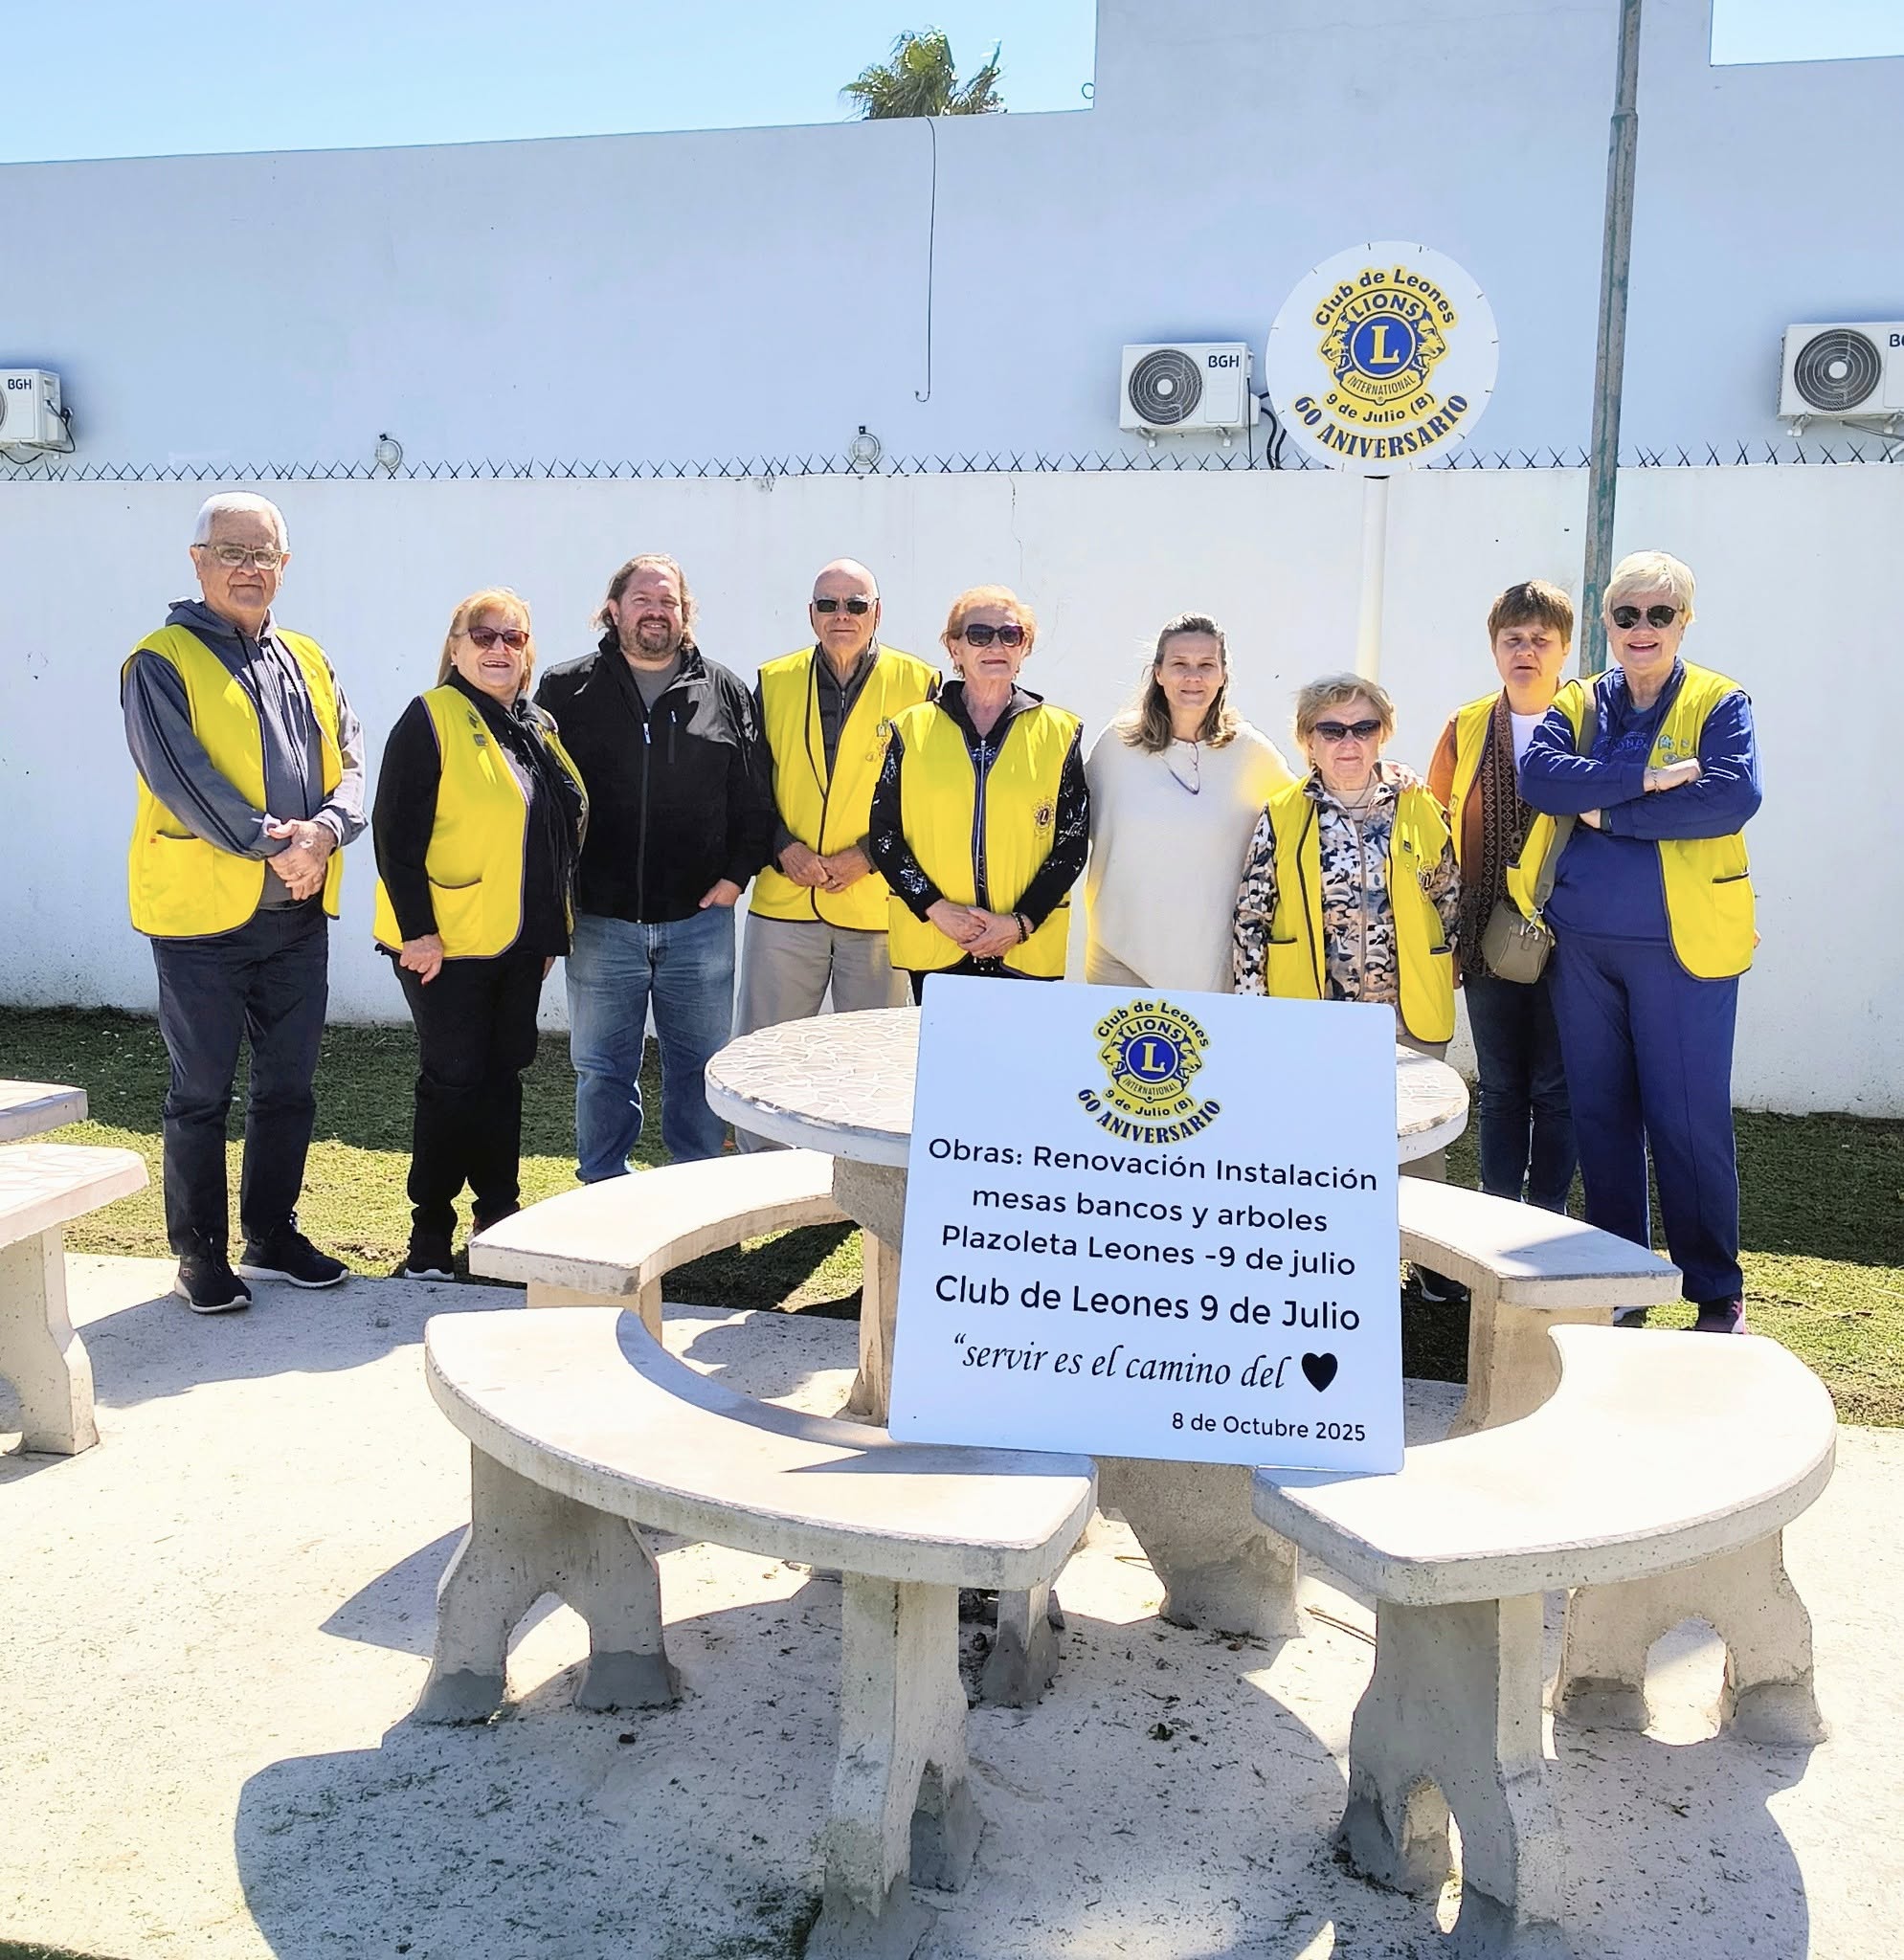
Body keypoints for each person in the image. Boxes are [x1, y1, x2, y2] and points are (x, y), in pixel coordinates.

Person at [122, 493, 364, 1313]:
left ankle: (271, 1235)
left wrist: (325, 834)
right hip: (201, 923)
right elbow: (184, 780)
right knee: (201, 1094)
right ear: (197, 561)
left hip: (296, 915)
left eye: (264, 556)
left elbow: (351, 766)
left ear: (284, 567)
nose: (249, 569)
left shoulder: (309, 656)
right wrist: (283, 844)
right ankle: (199, 1255)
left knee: (289, 1087)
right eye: (232, 552)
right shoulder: (159, 660)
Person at [1519, 551, 1760, 1333]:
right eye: (1627, 615)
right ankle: (1620, 1273)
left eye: (1660, 614)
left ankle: (1713, 1287)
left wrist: (1612, 811)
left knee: (1686, 1121)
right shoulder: (1580, 699)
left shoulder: (1720, 701)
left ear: (1683, 621)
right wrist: (1651, 781)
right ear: (1606, 624)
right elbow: (1543, 780)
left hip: (1683, 949)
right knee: (1601, 1115)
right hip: (1582, 946)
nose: (1642, 628)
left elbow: (1729, 799)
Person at [371, 590, 587, 1280]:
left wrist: (547, 930)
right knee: (452, 1084)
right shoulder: (430, 718)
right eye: (483, 636)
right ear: (456, 647)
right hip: (444, 946)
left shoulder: (532, 724)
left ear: (528, 653)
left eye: (513, 638)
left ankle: (498, 1220)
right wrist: (418, 933)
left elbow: (550, 831)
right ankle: (429, 1235)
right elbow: (395, 838)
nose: (499, 649)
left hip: (517, 944)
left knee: (502, 1081)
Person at [535, 554, 773, 1175]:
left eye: (668, 601)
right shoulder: (566, 688)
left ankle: (693, 1196)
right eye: (642, 599)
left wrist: (734, 877)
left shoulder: (722, 689)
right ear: (613, 609)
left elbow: (753, 793)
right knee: (601, 1069)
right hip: (600, 921)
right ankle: (602, 1187)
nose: (655, 611)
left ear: (683, 612)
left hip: (698, 922)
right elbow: (543, 802)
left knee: (698, 1067)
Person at [1232, 675, 1462, 1300]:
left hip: (1405, 1009)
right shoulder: (1281, 814)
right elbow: (1251, 917)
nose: (1347, 742)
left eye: (1362, 727)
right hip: (1316, 1019)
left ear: (1382, 733)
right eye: (1330, 729)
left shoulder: (1415, 803)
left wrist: (1439, 962)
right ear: (1308, 740)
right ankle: (1327, 1273)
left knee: (1418, 1150)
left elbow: (1444, 891)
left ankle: (1431, 1275)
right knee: (1321, 1151)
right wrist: (1254, 1013)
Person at [732, 560, 938, 1146]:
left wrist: (870, 857)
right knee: (765, 1052)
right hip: (785, 898)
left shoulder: (919, 683)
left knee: (869, 1062)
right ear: (811, 614)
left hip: (874, 903)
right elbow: (749, 783)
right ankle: (760, 1176)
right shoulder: (772, 680)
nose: (841, 616)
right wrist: (781, 848)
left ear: (878, 613)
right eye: (828, 604)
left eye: (855, 604)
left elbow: (925, 794)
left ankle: (857, 1185)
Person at [1427, 580, 1579, 1213]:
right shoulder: (1464, 727)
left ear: (1563, 649)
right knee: (1500, 1085)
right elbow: (1433, 833)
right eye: (1511, 639)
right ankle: (1495, 1211)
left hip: (1575, 937)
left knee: (1556, 1085)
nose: (1525, 650)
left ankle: (1545, 1212)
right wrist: (1447, 939)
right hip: (1485, 934)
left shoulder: (1591, 721)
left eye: (1539, 639)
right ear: (1493, 649)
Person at [868, 586, 1088, 999]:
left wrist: (1020, 922)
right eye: (979, 634)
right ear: (955, 647)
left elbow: (1072, 844)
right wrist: (935, 908)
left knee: (1022, 1064)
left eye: (1011, 634)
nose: (996, 646)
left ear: (1024, 648)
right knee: (945, 1063)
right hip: (937, 943)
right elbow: (884, 835)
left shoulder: (1059, 733)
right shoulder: (910, 730)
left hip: (1025, 948)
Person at [1084, 612, 1292, 991]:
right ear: (1158, 673)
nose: (1192, 677)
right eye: (1179, 664)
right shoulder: (1117, 745)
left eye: (1205, 665)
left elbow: (1306, 814)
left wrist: (1380, 778)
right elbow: (1065, 821)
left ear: (1223, 675)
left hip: (1214, 962)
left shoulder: (1249, 751)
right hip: (1119, 959)